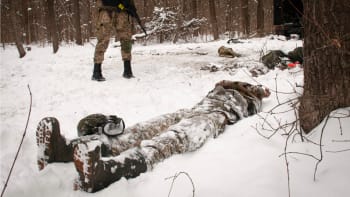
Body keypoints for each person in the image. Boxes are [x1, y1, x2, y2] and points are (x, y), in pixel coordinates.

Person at [36, 81, 270, 192]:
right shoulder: (225, 85)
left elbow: (259, 95)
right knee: (143, 129)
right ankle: (65, 150)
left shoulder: (253, 99)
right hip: (193, 109)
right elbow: (221, 84)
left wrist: (256, 91)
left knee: (174, 138)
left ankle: (110, 172)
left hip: (216, 115)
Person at [92, 0, 137, 81]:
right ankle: (96, 71)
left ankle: (127, 70)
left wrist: (131, 8)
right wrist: (120, 5)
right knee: (103, 40)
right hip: (106, 10)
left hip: (122, 12)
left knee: (126, 40)